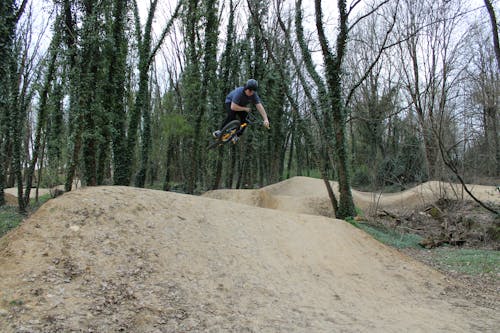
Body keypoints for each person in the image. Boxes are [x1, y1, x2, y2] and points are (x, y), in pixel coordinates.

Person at [213, 79, 270, 143]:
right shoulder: (239, 92)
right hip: (230, 103)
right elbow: (233, 107)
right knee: (231, 116)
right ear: (246, 88)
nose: (251, 93)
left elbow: (259, 106)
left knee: (245, 120)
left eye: (253, 91)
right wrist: (245, 109)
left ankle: (237, 135)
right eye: (250, 91)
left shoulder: (254, 95)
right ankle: (220, 131)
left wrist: (265, 119)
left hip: (241, 106)